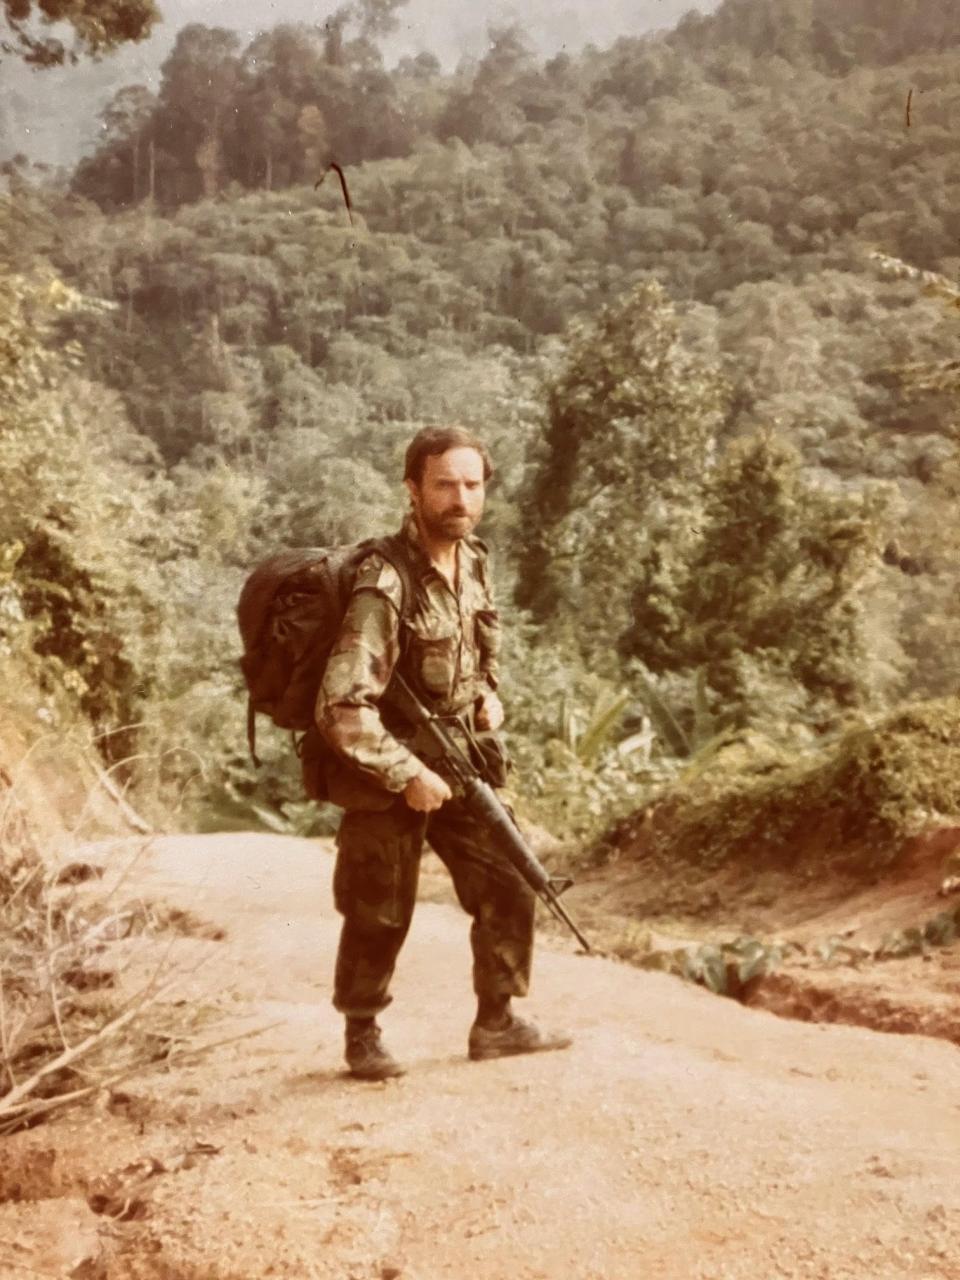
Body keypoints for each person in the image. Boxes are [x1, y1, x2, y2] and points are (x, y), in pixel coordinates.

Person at [314, 426, 572, 1080]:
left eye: (471, 484)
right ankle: (362, 1033)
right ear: (413, 490)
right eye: (444, 484)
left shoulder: (476, 560)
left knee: (511, 872)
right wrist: (406, 774)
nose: (460, 498)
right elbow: (342, 706)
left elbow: (480, 653)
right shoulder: (386, 582)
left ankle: (498, 1021)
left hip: (460, 757)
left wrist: (489, 696)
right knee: (380, 904)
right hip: (386, 768)